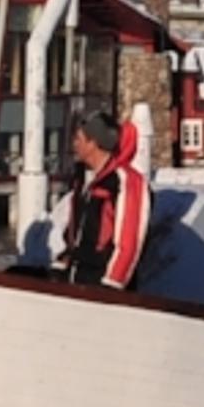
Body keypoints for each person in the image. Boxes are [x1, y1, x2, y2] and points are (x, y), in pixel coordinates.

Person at [54, 106, 151, 290]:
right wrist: (61, 266)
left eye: (78, 139)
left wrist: (111, 286)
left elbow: (128, 242)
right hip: (78, 281)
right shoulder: (84, 181)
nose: (74, 145)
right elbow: (76, 232)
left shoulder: (126, 181)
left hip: (102, 285)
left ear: (94, 143)